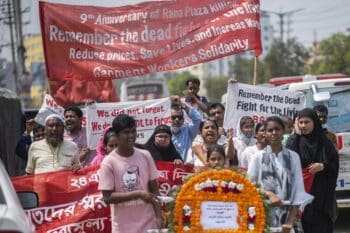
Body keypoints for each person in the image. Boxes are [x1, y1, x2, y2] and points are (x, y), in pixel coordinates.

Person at [98, 114, 162, 233]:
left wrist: (159, 216)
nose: (131, 136)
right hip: (123, 227)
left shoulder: (145, 156)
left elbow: (154, 189)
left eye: (133, 131)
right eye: (126, 132)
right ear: (116, 135)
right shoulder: (108, 162)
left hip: (148, 224)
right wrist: (138, 194)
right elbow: (107, 197)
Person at [248, 116, 313, 233]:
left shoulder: (293, 157)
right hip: (264, 218)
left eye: (277, 129)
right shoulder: (257, 158)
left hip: (289, 218)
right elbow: (249, 188)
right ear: (265, 134)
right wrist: (268, 193)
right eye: (270, 130)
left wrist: (290, 222)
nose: (274, 133)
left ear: (283, 131)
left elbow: (298, 191)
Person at [286, 108, 339, 233]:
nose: (303, 125)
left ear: (314, 122)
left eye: (307, 122)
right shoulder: (294, 141)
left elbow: (334, 163)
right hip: (301, 195)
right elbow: (287, 160)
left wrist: (323, 166)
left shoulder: (324, 142)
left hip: (322, 196)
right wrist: (296, 135)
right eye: (301, 122)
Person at [170, 95, 202, 162]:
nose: (176, 120)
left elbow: (198, 119)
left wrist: (182, 104)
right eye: (173, 117)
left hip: (187, 168)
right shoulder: (164, 133)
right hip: (170, 169)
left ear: (183, 120)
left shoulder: (188, 131)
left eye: (179, 117)